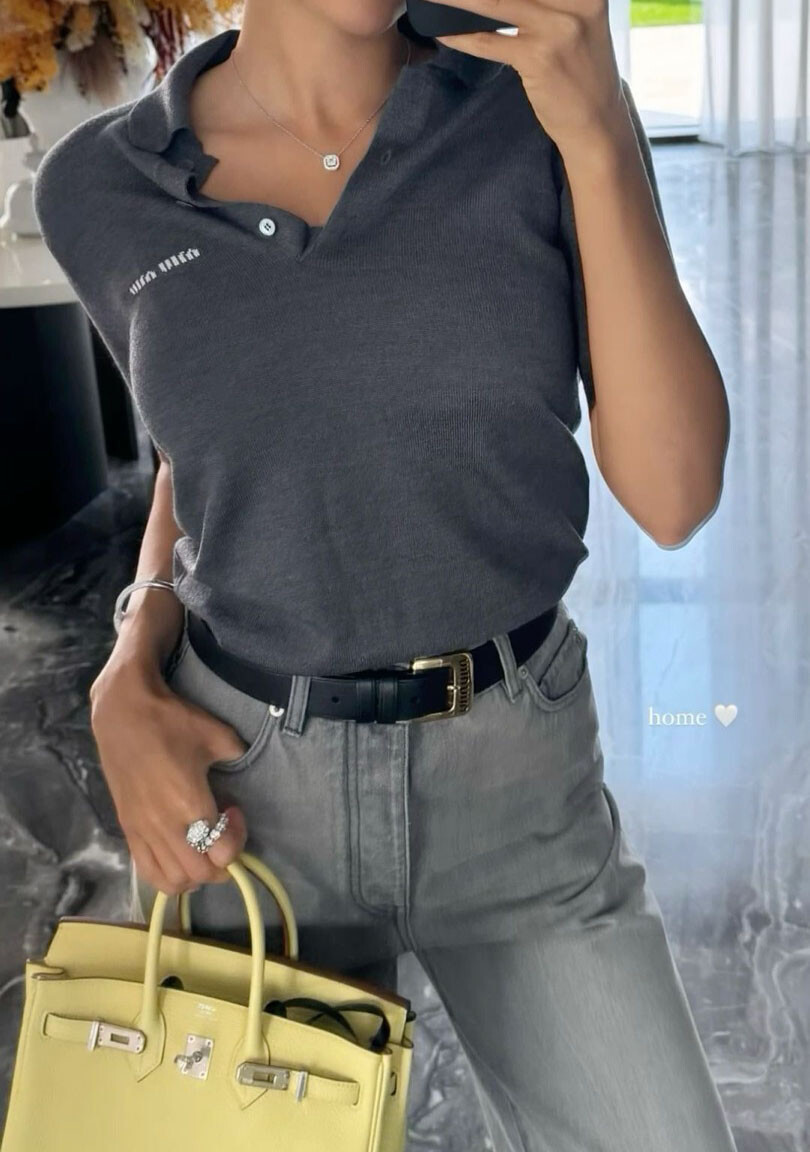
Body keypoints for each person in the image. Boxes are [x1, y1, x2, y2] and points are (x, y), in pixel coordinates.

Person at [33, 0, 734, 1147]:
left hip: (517, 786)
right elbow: (203, 457)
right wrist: (130, 663)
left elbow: (675, 495)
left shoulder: (542, 118)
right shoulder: (99, 187)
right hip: (246, 797)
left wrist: (600, 130)